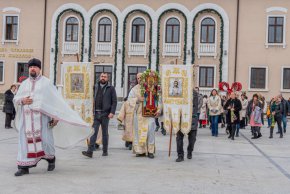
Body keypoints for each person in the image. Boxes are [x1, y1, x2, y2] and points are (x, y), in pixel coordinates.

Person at [13, 58, 90, 176]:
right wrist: (22, 100)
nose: (32, 69)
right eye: (30, 67)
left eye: (35, 67)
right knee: (24, 142)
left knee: (46, 141)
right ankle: (23, 167)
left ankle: (51, 159)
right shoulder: (24, 84)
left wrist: (56, 116)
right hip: (26, 120)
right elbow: (16, 99)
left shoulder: (46, 83)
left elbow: (56, 101)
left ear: (39, 69)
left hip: (43, 119)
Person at [82, 73, 117, 157]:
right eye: (102, 76)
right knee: (93, 132)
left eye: (105, 77)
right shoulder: (95, 87)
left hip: (105, 114)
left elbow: (114, 101)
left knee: (105, 133)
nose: (103, 78)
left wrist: (112, 112)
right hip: (96, 113)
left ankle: (105, 151)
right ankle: (90, 151)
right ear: (99, 77)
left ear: (107, 78)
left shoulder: (111, 88)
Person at [127, 73, 161, 159]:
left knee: (150, 132)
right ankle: (140, 151)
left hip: (150, 114)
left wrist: (159, 110)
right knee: (139, 133)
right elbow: (129, 101)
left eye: (141, 78)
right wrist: (137, 99)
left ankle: (150, 151)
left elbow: (158, 100)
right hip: (139, 115)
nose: (139, 79)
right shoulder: (134, 90)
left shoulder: (152, 88)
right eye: (138, 78)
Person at [176, 88, 198, 162]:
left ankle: (190, 151)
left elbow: (195, 106)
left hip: (191, 118)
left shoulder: (194, 93)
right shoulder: (179, 91)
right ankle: (180, 155)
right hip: (181, 118)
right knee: (179, 138)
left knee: (192, 139)